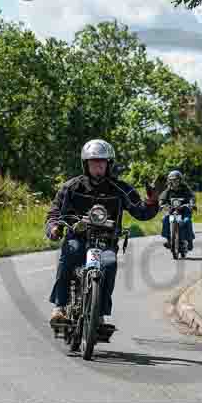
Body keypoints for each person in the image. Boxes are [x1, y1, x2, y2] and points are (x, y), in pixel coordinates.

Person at [44, 139, 160, 325]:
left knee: (109, 264)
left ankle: (100, 313)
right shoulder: (72, 187)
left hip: (105, 241)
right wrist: (54, 228)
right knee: (69, 253)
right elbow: (55, 213)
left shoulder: (120, 188)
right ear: (86, 164)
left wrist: (152, 201)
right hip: (78, 238)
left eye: (102, 162)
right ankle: (59, 307)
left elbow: (141, 211)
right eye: (93, 162)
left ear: (109, 164)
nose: (98, 166)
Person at [159, 170, 196, 251]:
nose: (174, 181)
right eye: (172, 180)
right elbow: (163, 197)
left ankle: (189, 241)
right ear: (170, 181)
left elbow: (191, 196)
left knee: (187, 221)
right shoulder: (168, 190)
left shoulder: (185, 188)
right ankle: (169, 240)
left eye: (176, 179)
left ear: (180, 180)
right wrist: (161, 204)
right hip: (172, 210)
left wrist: (191, 203)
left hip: (184, 210)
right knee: (165, 219)